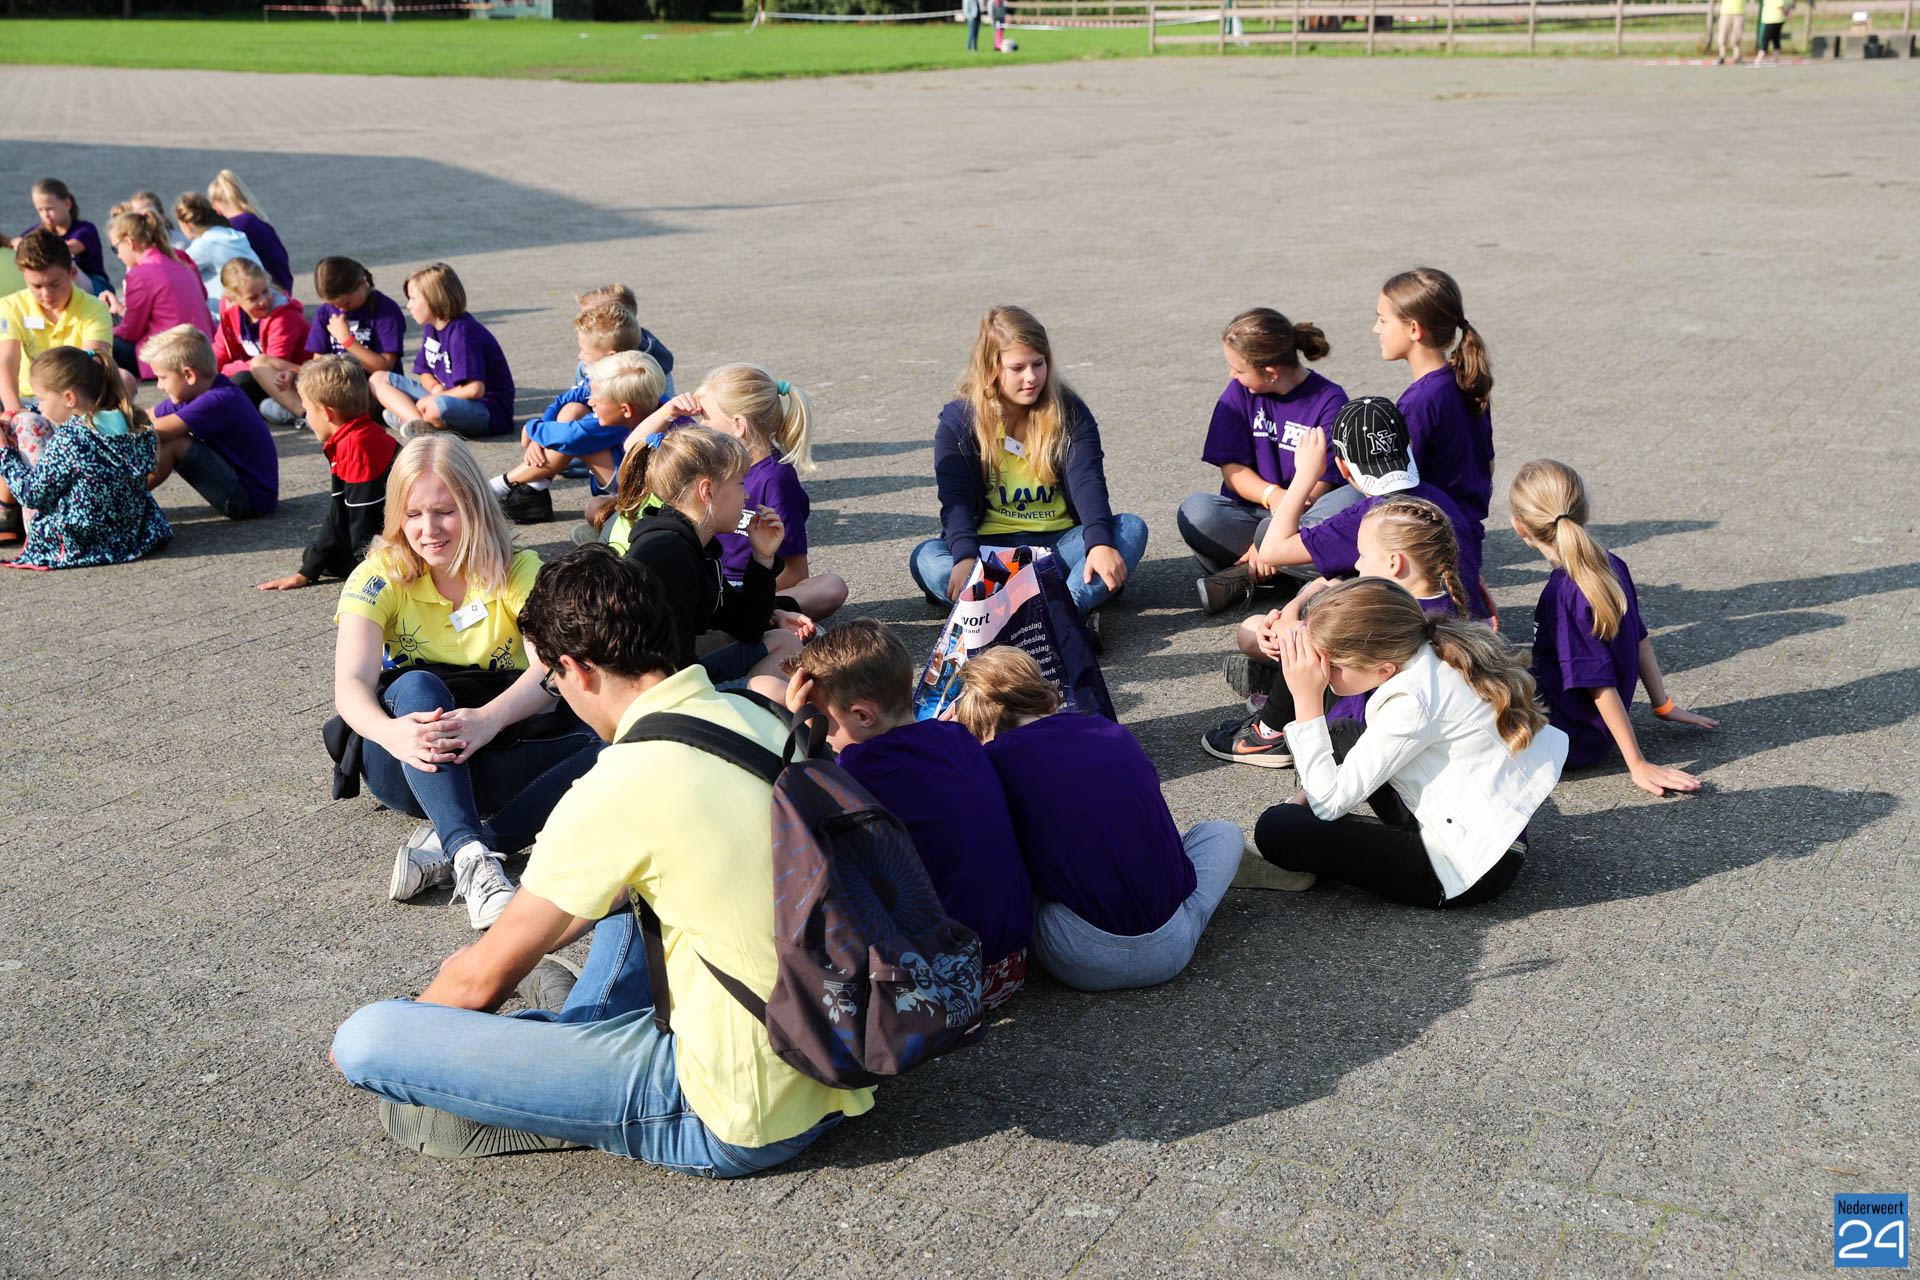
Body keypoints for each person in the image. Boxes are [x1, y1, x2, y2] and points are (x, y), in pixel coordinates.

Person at [330, 544, 873, 1171]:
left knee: (370, 1039)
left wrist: (419, 1034)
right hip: (843, 1047)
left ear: (575, 670)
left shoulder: (618, 785)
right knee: (625, 887)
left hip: (741, 1107)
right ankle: (574, 1038)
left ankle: (560, 1062)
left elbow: (479, 981)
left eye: (554, 682)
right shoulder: (760, 714)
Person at [332, 435, 601, 929]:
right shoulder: (378, 575)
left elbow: (550, 668)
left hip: (496, 743)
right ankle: (475, 859)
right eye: (413, 514)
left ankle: (461, 847)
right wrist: (393, 733)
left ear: (474, 506)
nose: (428, 529)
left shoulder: (519, 569)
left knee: (613, 749)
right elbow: (349, 683)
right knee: (417, 685)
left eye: (444, 511)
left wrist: (487, 720)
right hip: (408, 758)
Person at [1250, 577, 1568, 907]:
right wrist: (1304, 804)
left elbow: (1329, 804)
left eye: (1330, 665)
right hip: (1494, 837)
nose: (1321, 672)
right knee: (1343, 734)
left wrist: (1306, 699)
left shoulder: (1413, 701)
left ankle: (1299, 831)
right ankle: (1301, 815)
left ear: (1384, 669)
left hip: (1463, 869)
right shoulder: (1429, 650)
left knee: (1277, 828)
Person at [949, 647, 1243, 992]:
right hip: (1173, 946)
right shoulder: (1109, 730)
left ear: (977, 717)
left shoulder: (991, 760)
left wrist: (951, 747)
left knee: (998, 850)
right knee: (1221, 832)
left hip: (1078, 953)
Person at [782, 619, 1033, 1007]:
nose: (826, 735)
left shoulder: (857, 772)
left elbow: (805, 827)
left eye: (824, 722)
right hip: (1012, 963)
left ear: (863, 715)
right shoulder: (957, 736)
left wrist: (799, 730)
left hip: (946, 985)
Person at [912, 305, 1149, 626]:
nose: (1032, 377)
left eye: (1039, 364)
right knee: (926, 557)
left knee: (1130, 529)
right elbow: (956, 501)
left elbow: (1088, 481)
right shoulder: (960, 420)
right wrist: (965, 557)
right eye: (1017, 367)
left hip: (1058, 547)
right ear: (991, 367)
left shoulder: (1069, 411)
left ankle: (1046, 616)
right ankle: (1059, 619)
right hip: (989, 554)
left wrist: (1099, 544)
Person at [1207, 494, 1475, 767]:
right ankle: (1279, 686)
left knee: (1296, 640)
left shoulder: (1378, 611)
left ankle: (1269, 733)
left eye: (1363, 556)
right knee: (1276, 631)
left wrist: (1290, 620)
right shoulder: (1443, 599)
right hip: (1402, 721)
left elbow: (1305, 632)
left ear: (1394, 563)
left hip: (1354, 730)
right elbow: (1328, 584)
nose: (1357, 564)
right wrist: (1296, 606)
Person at [1509, 459, 1718, 796]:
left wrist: (1637, 763)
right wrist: (1663, 705)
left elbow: (1596, 681)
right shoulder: (1611, 563)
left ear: (1519, 527)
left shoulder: (1561, 595)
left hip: (1569, 740)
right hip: (1585, 728)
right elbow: (1640, 638)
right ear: (1586, 512)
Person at [1177, 306, 1354, 616]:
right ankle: (1303, 574)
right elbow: (1233, 470)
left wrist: (1273, 535)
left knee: (1350, 502)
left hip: (1305, 517)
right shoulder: (1240, 392)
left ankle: (1247, 575)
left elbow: (1321, 488)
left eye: (1238, 369)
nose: (1231, 375)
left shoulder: (1329, 400)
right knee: (1197, 512)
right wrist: (1271, 496)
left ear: (1271, 372)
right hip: (1254, 514)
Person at [619, 426, 805, 692]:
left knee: (786, 643)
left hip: (680, 677)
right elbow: (668, 667)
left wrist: (762, 557)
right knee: (771, 689)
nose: (746, 495)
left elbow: (748, 627)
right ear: (707, 491)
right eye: (740, 484)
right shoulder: (669, 554)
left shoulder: (696, 546)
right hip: (659, 692)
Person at [1248, 397, 1484, 601]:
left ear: (1342, 467)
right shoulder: (1439, 497)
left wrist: (1305, 475)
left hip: (1415, 630)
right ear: (1409, 445)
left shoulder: (1367, 518)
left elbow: (1270, 550)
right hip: (1468, 622)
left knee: (1266, 535)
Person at [690, 363, 848, 621]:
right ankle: (763, 621)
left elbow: (795, 573)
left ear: (738, 425)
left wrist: (755, 595)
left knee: (832, 587)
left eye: (705, 417)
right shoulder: (716, 465)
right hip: (712, 583)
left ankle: (764, 619)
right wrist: (666, 413)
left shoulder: (776, 480)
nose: (700, 425)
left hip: (753, 589)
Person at [0, 345, 170, 570]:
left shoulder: (70, 439)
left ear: (70, 398)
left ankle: (6, 513)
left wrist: (5, 451)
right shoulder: (135, 422)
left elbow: (31, 495)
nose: (39, 406)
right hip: (132, 536)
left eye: (41, 398)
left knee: (26, 432)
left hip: (82, 543)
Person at [0, 230, 114, 542]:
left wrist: (48, 412)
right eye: (36, 286)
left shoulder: (94, 308)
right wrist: (13, 410)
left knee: (124, 382)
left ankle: (20, 509)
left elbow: (91, 371)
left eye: (54, 284)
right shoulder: (10, 306)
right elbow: (6, 361)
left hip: (75, 399)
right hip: (26, 397)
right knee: (20, 421)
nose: (46, 294)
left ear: (73, 273)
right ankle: (22, 508)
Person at [258, 356, 397, 592]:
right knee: (316, 557)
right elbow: (339, 511)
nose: (305, 415)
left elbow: (362, 523)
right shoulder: (359, 435)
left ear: (325, 413)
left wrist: (366, 582)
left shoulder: (356, 451)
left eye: (306, 409)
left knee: (332, 559)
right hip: (391, 532)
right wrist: (307, 571)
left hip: (401, 543)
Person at [1375, 267, 1495, 525]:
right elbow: (1488, 464)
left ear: (1413, 329)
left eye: (1383, 321)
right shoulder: (1467, 380)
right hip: (1467, 527)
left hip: (1433, 533)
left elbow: (1395, 488)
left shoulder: (1418, 403)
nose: (1376, 329)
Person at [497, 345, 664, 526]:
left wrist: (532, 428)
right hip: (628, 478)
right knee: (572, 411)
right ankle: (533, 489)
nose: (591, 402)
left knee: (595, 507)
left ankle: (499, 488)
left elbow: (571, 436)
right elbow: (568, 400)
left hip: (638, 494)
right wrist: (539, 432)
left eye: (597, 399)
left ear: (625, 409)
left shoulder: (632, 420)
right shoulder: (643, 403)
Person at [142, 323, 280, 521]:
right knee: (162, 435)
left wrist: (106, 434)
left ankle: (123, 499)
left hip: (249, 500)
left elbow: (153, 430)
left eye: (162, 377)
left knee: (174, 442)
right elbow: (148, 416)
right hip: (245, 490)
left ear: (189, 375)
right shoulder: (199, 389)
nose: (159, 385)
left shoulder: (218, 400)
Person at [370, 262, 514, 440]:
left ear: (434, 298)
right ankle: (418, 422)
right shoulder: (432, 327)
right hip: (447, 396)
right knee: (378, 379)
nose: (408, 305)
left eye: (413, 298)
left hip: (486, 409)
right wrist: (435, 388)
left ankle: (414, 418)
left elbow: (475, 389)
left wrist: (434, 398)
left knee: (435, 408)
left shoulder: (463, 333)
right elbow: (425, 372)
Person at [106, 207, 215, 394]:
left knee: (101, 341)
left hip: (170, 355)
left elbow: (131, 331)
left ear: (130, 242)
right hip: (203, 349)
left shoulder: (140, 274)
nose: (118, 255)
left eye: (116, 248)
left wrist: (108, 329)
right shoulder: (179, 262)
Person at [213, 257, 310, 423]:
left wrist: (227, 369)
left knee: (240, 382)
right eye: (253, 298)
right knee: (213, 385)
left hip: (294, 376)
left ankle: (304, 414)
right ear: (233, 300)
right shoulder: (231, 312)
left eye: (266, 291)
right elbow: (220, 351)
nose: (263, 301)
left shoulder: (284, 316)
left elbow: (273, 364)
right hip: (269, 379)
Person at [305, 256, 406, 376]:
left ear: (362, 284)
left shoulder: (386, 311)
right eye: (334, 305)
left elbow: (384, 367)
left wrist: (346, 339)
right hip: (339, 380)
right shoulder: (325, 312)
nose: (341, 310)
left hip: (374, 383)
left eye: (346, 303)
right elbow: (318, 361)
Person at [573, 282, 675, 395]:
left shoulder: (649, 366)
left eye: (591, 316)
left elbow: (664, 399)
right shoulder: (586, 363)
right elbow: (575, 396)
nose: (585, 321)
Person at [173, 193, 264, 319]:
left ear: (187, 225)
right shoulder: (231, 233)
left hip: (231, 314)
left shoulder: (205, 245)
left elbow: (173, 270)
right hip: (256, 300)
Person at [206, 170, 294, 295]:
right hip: (280, 287)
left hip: (262, 292)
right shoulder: (256, 221)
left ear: (216, 208)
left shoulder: (231, 231)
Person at [23, 179, 108, 296]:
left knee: (62, 261)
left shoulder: (86, 229)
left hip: (94, 287)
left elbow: (66, 249)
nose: (45, 215)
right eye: (40, 210)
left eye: (50, 209)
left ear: (67, 204)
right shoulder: (40, 229)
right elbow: (20, 245)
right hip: (59, 283)